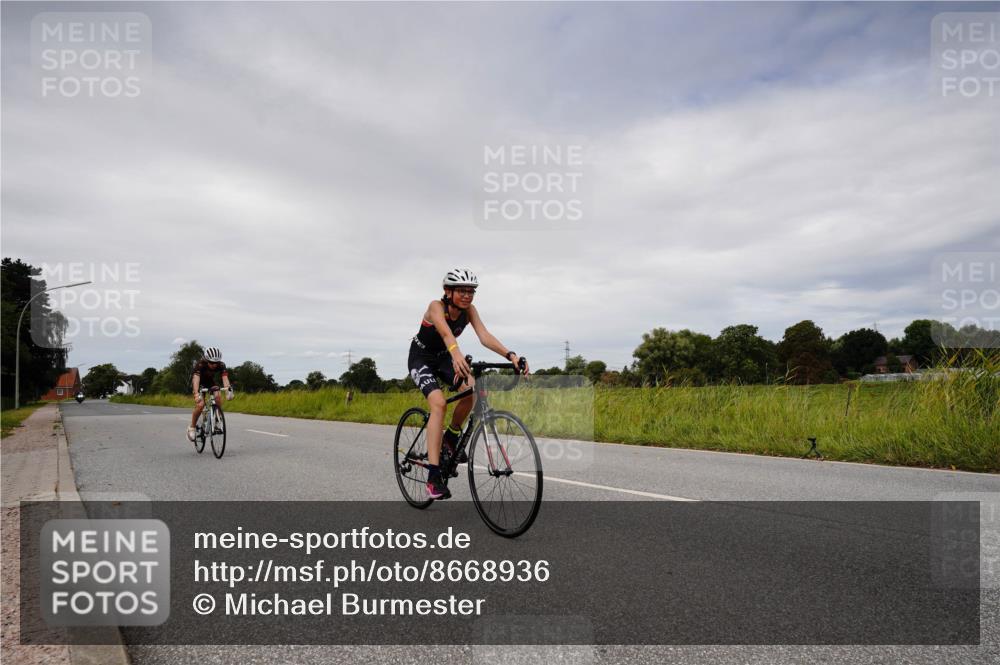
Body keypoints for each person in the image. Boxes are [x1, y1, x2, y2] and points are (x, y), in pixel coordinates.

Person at [407, 269, 528, 499]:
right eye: (462, 291)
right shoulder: (436, 306)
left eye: (471, 291)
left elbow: (484, 336)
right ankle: (433, 478)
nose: (467, 296)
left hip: (444, 356)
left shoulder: (469, 311)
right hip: (421, 357)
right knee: (439, 404)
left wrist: (510, 355)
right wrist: (456, 354)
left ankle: (450, 438)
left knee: (471, 389)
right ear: (448, 291)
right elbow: (445, 333)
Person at [187, 347, 234, 443]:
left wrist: (228, 391)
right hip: (199, 383)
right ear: (206, 360)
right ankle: (192, 427)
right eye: (212, 363)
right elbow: (196, 380)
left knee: (217, 395)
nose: (214, 365)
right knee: (200, 405)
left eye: (216, 363)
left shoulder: (221, 365)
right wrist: (196, 394)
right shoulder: (200, 365)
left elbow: (225, 378)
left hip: (209, 382)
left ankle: (217, 420)